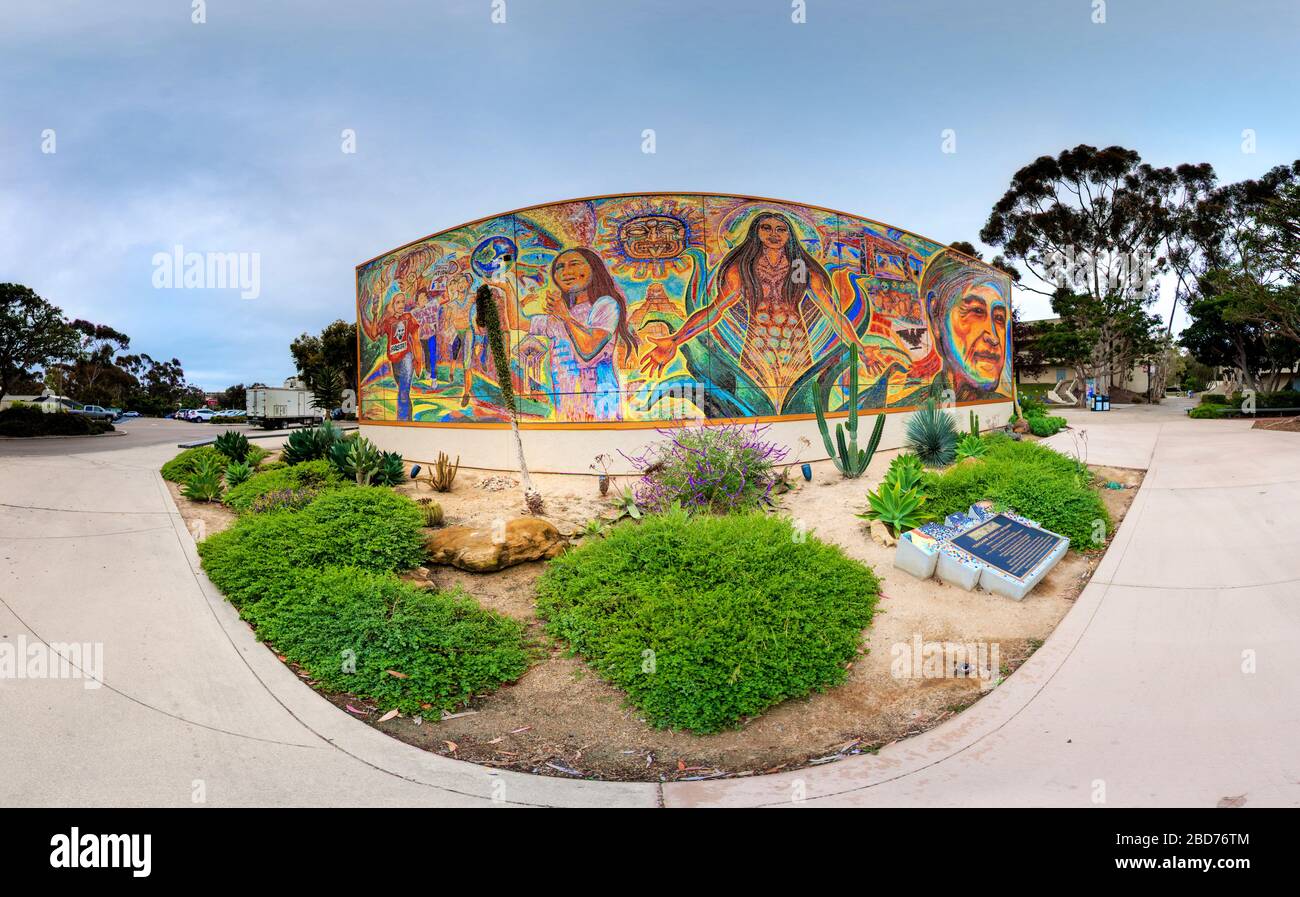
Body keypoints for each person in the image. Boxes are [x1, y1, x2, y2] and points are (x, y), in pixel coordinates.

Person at [639, 210, 900, 410]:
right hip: (757, 345)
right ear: (756, 232)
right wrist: (676, 339)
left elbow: (832, 312)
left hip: (795, 344)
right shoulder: (743, 268)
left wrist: (859, 346)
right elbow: (716, 310)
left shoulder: (802, 268)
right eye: (766, 228)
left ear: (790, 235)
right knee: (755, 398)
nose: (774, 234)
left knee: (797, 398)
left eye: (781, 229)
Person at [530, 247, 639, 421]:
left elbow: (588, 350)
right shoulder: (561, 315)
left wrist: (566, 317)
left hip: (599, 403)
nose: (566, 272)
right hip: (568, 403)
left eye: (574, 264)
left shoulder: (605, 305)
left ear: (593, 268)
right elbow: (515, 323)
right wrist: (506, 286)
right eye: (559, 267)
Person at [920, 248, 1010, 400]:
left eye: (999, 318)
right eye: (976, 311)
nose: (994, 338)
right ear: (935, 316)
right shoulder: (913, 408)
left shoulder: (1002, 403)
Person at [360, 292, 425, 420]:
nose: (401, 305)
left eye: (403, 302)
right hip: (394, 361)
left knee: (402, 393)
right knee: (404, 393)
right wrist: (374, 314)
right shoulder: (388, 321)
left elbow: (416, 340)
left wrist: (418, 361)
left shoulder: (408, 317)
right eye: (398, 302)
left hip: (407, 358)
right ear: (393, 305)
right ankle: (409, 421)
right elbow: (374, 335)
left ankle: (401, 423)